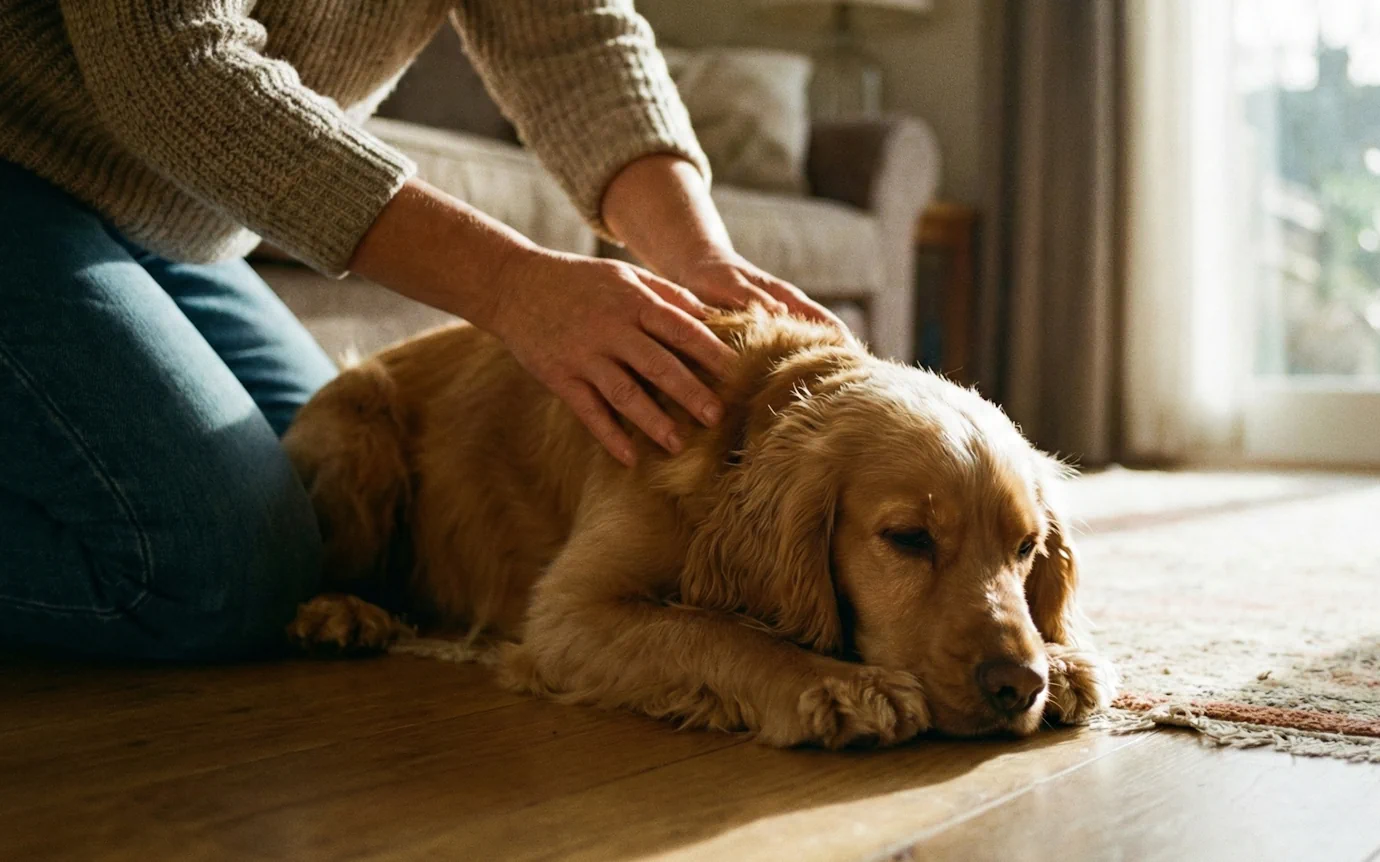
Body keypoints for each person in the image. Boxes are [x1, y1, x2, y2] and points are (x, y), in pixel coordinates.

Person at [0, 0, 838, 661]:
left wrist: (698, 257)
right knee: (221, 574)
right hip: (20, 172)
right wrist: (512, 284)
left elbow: (575, 38)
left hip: (172, 227)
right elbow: (173, 70)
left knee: (322, 511)